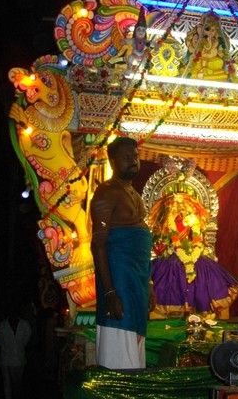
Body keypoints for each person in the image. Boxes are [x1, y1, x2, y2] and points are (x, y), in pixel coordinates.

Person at [90, 136, 154, 369]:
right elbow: (98, 244)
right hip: (119, 281)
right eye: (126, 157)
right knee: (120, 344)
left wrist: (149, 284)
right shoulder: (106, 192)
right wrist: (109, 292)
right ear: (112, 161)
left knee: (136, 344)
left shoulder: (133, 193)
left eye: (135, 156)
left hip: (137, 281)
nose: (133, 161)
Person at [0, 300, 32, 399]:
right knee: (7, 386)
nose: (13, 311)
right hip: (7, 360)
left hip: (18, 360)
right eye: (11, 309)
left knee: (16, 385)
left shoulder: (25, 326)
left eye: (14, 309)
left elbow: (25, 342)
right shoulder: (1, 326)